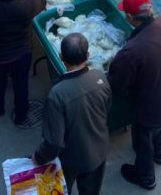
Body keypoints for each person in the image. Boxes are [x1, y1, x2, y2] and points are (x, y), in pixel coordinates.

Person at [108, 0, 161, 191]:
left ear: (130, 18)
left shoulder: (132, 51)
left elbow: (116, 84)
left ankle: (146, 177)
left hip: (149, 109)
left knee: (143, 140)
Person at [32, 33, 111, 194]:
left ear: (61, 57)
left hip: (71, 158)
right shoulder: (100, 77)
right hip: (99, 151)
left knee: (62, 188)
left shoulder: (57, 94)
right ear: (87, 55)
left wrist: (38, 157)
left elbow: (54, 142)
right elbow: (106, 109)